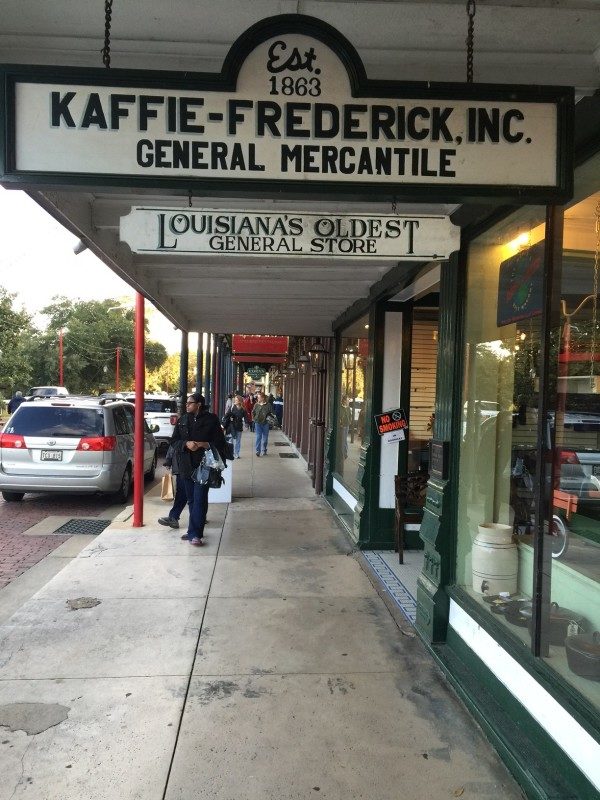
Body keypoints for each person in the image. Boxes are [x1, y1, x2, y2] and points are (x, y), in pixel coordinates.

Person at [167, 392, 226, 546]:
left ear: (199, 404)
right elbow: (174, 441)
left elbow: (220, 442)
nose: (186, 405)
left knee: (199, 499)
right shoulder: (183, 420)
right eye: (186, 403)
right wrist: (186, 444)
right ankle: (193, 530)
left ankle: (195, 534)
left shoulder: (211, 420)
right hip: (185, 465)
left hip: (204, 465)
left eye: (190, 403)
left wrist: (206, 444)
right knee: (192, 499)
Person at [157, 443, 188, 529]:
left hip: (193, 468)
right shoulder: (179, 431)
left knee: (190, 495)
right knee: (182, 494)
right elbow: (174, 444)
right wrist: (169, 460)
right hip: (181, 468)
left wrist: (169, 460)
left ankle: (198, 518)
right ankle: (173, 517)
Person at [223, 394, 245, 458]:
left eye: (236, 400)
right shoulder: (232, 407)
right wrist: (224, 421)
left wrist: (246, 423)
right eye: (235, 400)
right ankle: (231, 453)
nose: (235, 401)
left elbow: (245, 416)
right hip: (232, 426)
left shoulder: (243, 408)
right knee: (231, 440)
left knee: (238, 441)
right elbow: (227, 414)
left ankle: (236, 453)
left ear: (240, 401)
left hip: (239, 426)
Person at [252, 391, 273, 457]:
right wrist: (254, 419)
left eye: (259, 398)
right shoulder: (256, 405)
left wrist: (270, 419)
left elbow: (272, 413)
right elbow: (253, 412)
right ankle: (258, 451)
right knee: (258, 437)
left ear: (263, 398)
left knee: (265, 438)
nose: (258, 399)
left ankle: (264, 449)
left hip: (265, 423)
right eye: (258, 398)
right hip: (258, 423)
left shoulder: (268, 405)